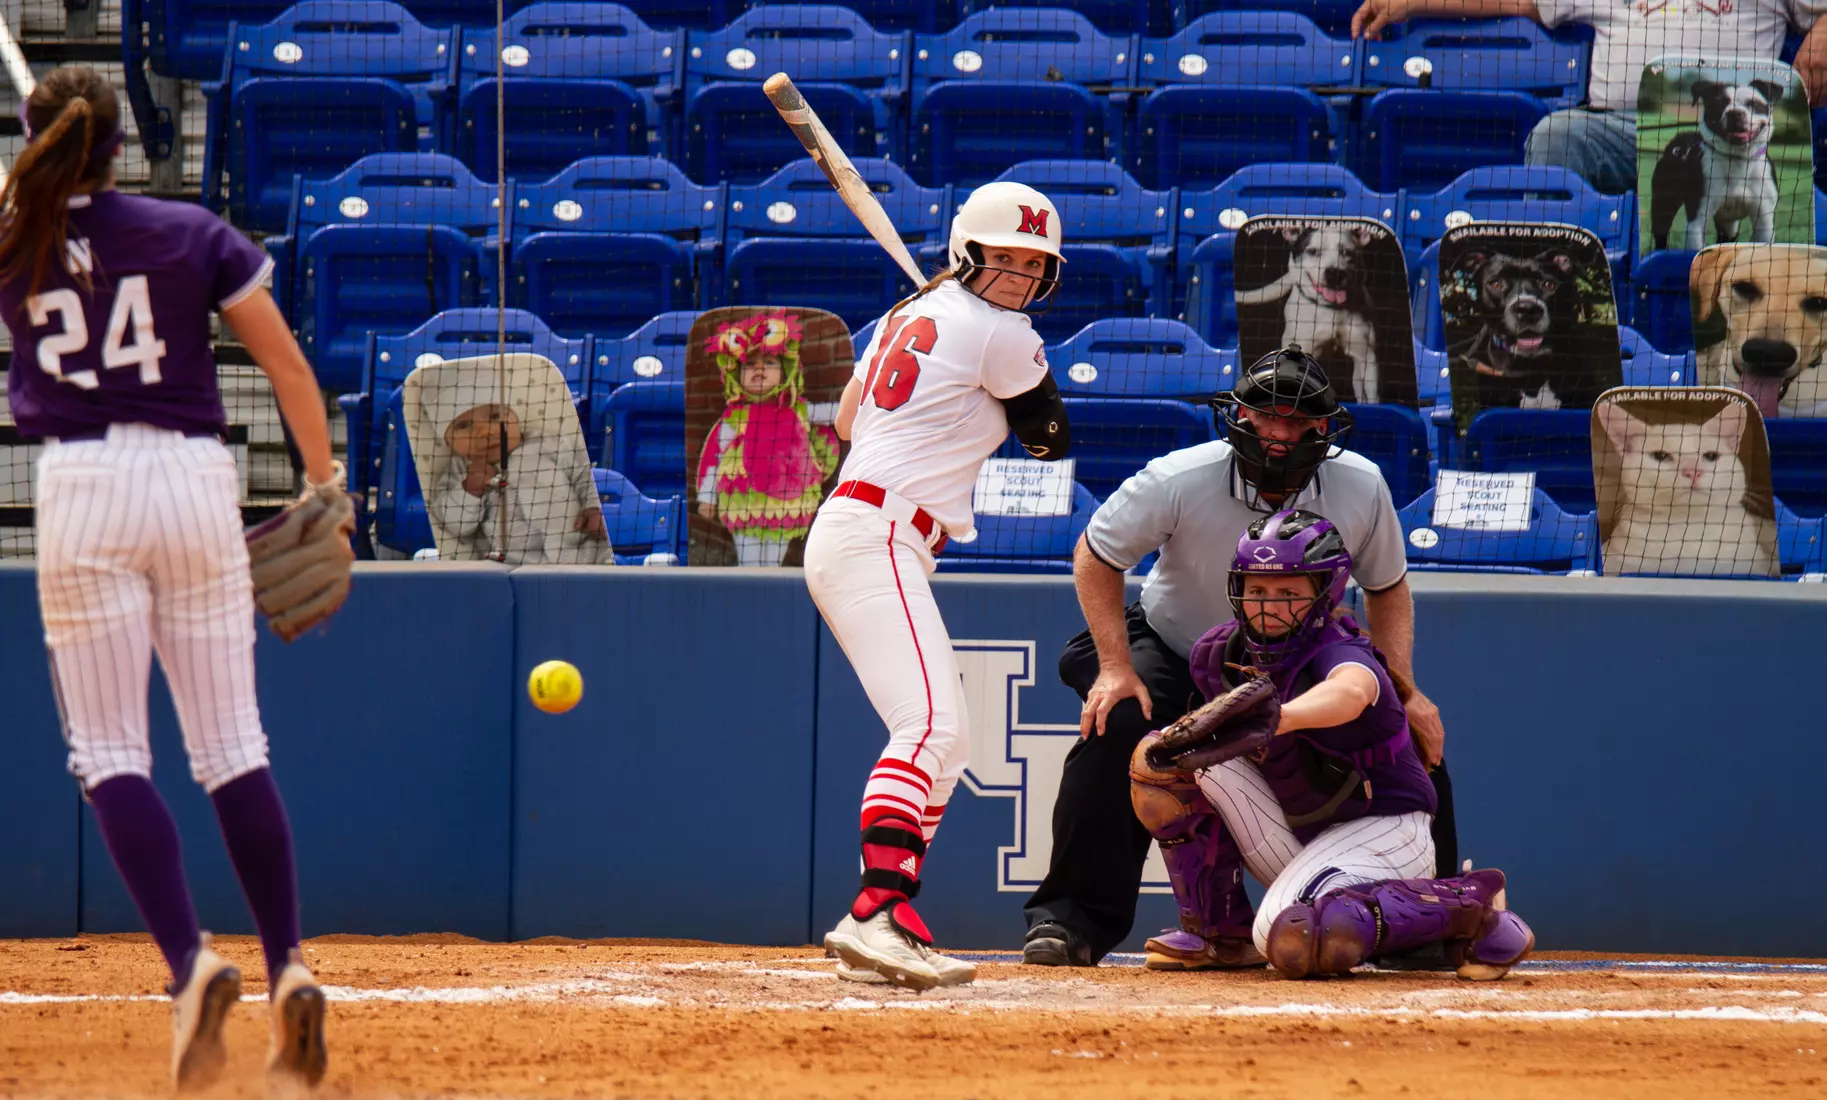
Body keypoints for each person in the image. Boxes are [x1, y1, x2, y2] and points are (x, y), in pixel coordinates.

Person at [0, 67, 333, 1088]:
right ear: (118, 142)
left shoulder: (13, 238)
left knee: (109, 750)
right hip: (193, 479)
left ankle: (191, 965)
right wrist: (326, 488)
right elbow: (282, 363)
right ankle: (286, 965)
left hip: (82, 485)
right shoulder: (190, 230)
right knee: (233, 743)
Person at [1024, 346, 1454, 967]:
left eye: (1298, 421)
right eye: (1267, 416)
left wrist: (1405, 691)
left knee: (1410, 744)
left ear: (1324, 430)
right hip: (1176, 646)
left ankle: (1424, 928)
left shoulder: (1361, 484)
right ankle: (1072, 921)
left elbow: (1387, 589)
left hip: (1301, 663)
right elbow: (1096, 553)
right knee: (1119, 728)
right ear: (1241, 417)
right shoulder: (1178, 476)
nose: (1279, 434)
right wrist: (1116, 667)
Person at [807, 180, 1073, 990]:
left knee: (946, 740)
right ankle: (875, 912)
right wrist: (985, 341)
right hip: (877, 532)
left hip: (865, 531)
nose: (1020, 275)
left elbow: (848, 421)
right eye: (1005, 257)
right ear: (969, 252)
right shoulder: (1001, 332)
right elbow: (1050, 439)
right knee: (926, 727)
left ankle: (890, 918)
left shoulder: (902, 317)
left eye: (1034, 263)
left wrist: (938, 327)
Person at [1130, 510, 1533, 980]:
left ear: (1325, 591)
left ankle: (1468, 905)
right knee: (1159, 761)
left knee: (1291, 940)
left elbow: (1351, 691)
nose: (1268, 605)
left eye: (1288, 592)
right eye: (1257, 590)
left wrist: (1280, 716)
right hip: (1309, 833)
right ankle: (1219, 935)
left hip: (1386, 833)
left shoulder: (1340, 649)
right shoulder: (1221, 654)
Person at [1351, 0, 1827, 195]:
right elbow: (1521, 3)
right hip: (1622, 131)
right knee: (1558, 132)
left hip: (1730, 138)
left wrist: (1822, 35)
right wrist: (1413, 1)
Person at [695, 310, 841, 566]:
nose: (758, 369)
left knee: (774, 558)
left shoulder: (799, 411)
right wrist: (708, 498)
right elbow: (713, 458)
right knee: (749, 559)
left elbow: (835, 413)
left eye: (770, 363)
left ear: (786, 372)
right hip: (745, 501)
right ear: (736, 374)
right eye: (749, 365)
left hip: (785, 502)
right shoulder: (734, 418)